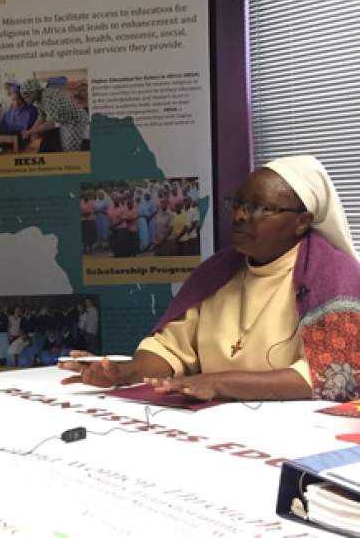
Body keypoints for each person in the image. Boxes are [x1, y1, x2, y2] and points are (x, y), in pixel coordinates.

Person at [61, 155, 360, 402]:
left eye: (260, 207)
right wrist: (126, 372)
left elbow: (330, 374)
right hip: (213, 426)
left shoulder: (335, 276)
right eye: (239, 204)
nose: (240, 216)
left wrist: (219, 382)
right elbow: (172, 348)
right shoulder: (218, 271)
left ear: (302, 222)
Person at [19, 78, 90, 152]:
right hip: (63, 124)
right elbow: (40, 119)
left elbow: (52, 123)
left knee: (52, 138)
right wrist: (30, 131)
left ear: (34, 91)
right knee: (48, 138)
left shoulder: (48, 97)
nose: (25, 100)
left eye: (27, 96)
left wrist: (31, 132)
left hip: (75, 123)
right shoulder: (38, 101)